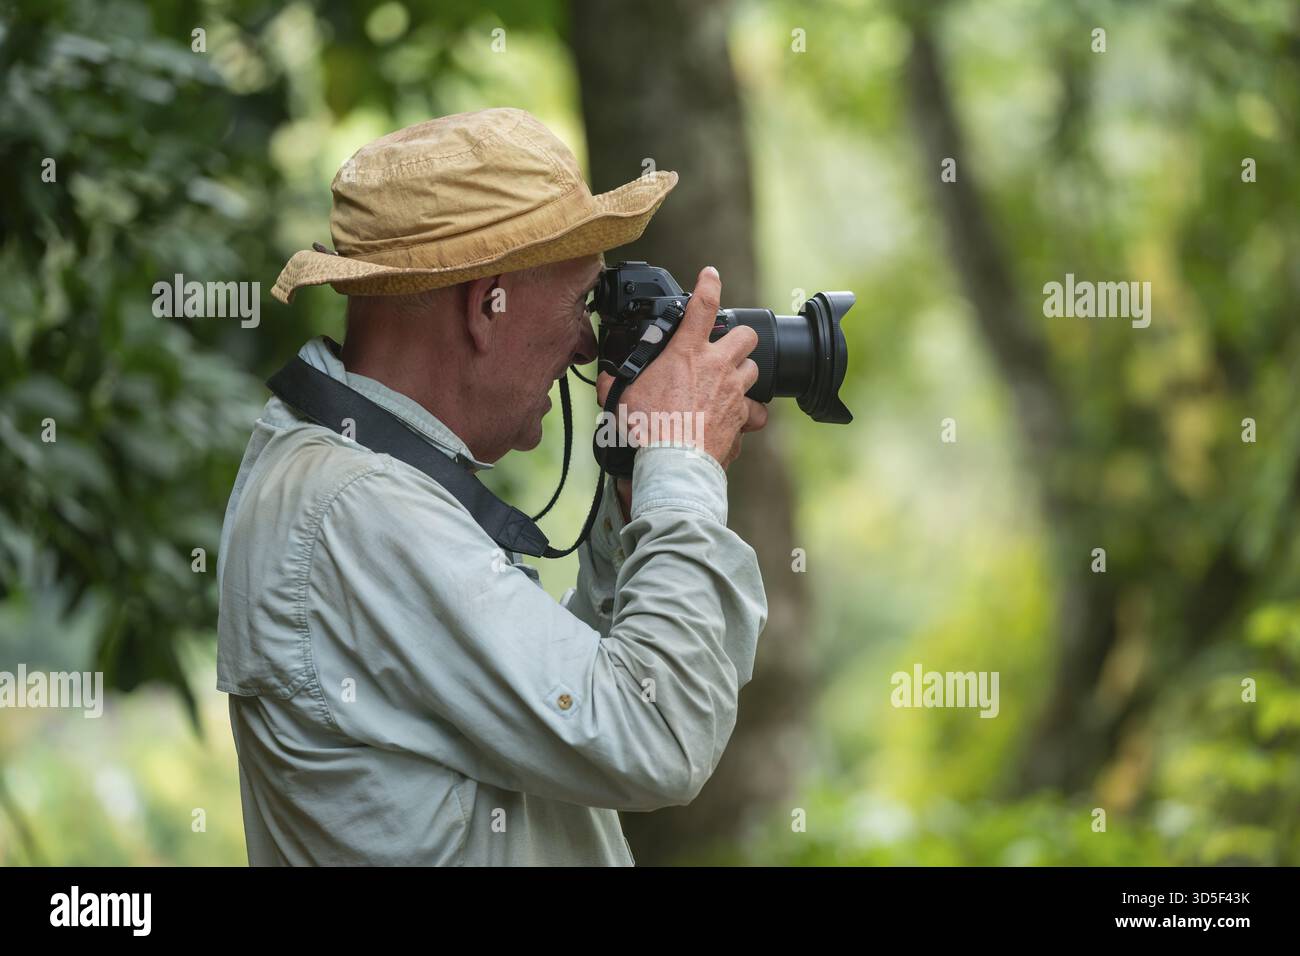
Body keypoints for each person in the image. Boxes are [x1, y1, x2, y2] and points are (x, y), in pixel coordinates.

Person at [216, 107, 768, 865]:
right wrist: (683, 462)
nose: (586, 344)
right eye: (581, 303)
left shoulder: (340, 477)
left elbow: (567, 711)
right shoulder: (354, 510)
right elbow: (655, 734)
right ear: (487, 305)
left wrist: (633, 508)